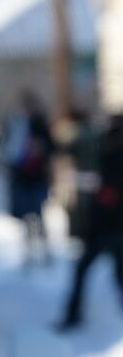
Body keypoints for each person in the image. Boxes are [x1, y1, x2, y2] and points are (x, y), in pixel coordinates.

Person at [57, 114, 123, 328]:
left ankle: (73, 314)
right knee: (86, 271)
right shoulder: (103, 149)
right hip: (103, 226)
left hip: (111, 227)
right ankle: (73, 314)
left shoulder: (110, 152)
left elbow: (104, 188)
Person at [3, 92, 54, 262]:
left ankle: (44, 251)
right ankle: (29, 251)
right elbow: (8, 151)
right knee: (26, 218)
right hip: (22, 179)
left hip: (36, 178)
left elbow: (51, 149)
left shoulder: (40, 125)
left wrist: (41, 148)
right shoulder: (16, 126)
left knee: (38, 216)